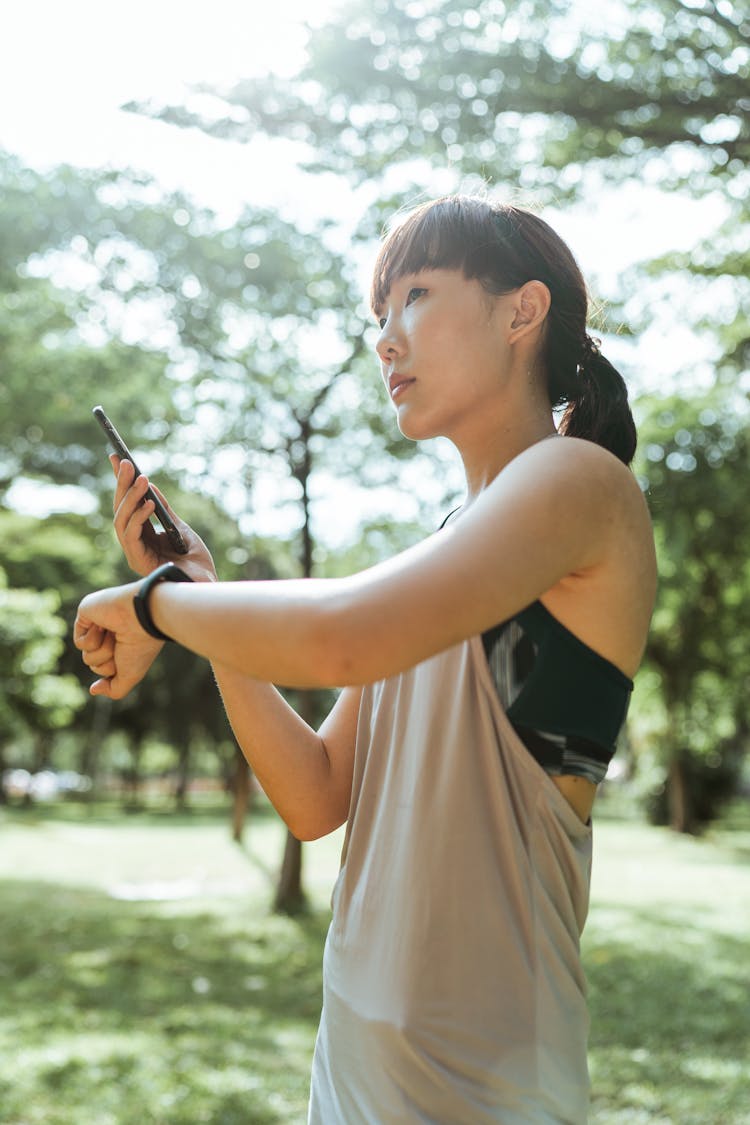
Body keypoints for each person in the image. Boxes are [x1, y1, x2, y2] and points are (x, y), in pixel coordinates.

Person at [74, 194, 656, 1123]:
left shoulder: (579, 480)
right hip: (351, 1080)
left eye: (416, 295)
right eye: (377, 317)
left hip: (487, 1094)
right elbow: (316, 794)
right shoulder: (448, 547)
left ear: (523, 309)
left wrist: (161, 606)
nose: (386, 340)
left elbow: (341, 635)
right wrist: (198, 586)